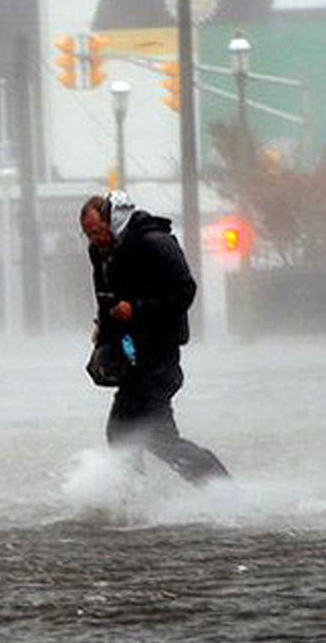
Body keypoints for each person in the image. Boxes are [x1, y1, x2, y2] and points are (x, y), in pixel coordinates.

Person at [80, 190, 229, 486]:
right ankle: (216, 487)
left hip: (160, 355)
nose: (94, 239)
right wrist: (104, 338)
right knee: (157, 438)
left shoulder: (154, 243)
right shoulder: (101, 253)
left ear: (113, 220)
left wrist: (136, 309)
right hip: (133, 354)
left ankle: (136, 498)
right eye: (88, 234)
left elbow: (185, 292)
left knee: (123, 431)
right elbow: (107, 300)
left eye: (97, 231)